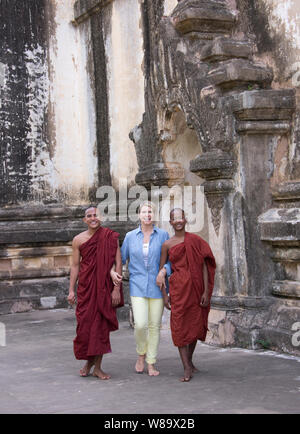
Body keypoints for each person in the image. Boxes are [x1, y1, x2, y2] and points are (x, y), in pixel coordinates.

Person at [157, 208, 216, 382]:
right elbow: (161, 271)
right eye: (174, 219)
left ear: (185, 219)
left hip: (196, 288)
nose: (178, 221)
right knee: (179, 327)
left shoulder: (196, 240)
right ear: (171, 222)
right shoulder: (167, 245)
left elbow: (205, 265)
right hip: (178, 288)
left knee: (195, 325)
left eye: (180, 217)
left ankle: (189, 361)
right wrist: (164, 295)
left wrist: (205, 290)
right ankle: (186, 368)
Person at [112, 201, 170, 376]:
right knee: (140, 324)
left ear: (154, 215)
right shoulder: (130, 236)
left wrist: (164, 270)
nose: (147, 215)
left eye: (150, 212)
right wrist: (112, 272)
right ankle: (140, 354)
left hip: (157, 286)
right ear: (139, 215)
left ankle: (151, 362)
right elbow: (120, 258)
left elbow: (170, 259)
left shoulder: (163, 235)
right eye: (144, 212)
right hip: (137, 285)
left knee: (154, 326)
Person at [67, 206, 123, 380]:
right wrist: (71, 290)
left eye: (96, 215)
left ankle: (97, 367)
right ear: (85, 220)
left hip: (105, 288)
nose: (93, 218)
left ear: (101, 217)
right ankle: (89, 362)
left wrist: (116, 289)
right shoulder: (78, 240)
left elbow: (118, 263)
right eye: (89, 216)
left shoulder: (110, 237)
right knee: (85, 327)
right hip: (86, 288)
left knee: (100, 328)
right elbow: (75, 266)